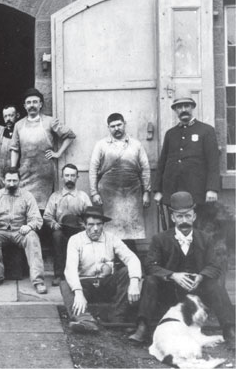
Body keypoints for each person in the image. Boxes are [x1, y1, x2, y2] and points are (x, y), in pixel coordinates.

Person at [129, 192, 235, 347]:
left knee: (215, 284)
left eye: (187, 216)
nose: (184, 221)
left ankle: (230, 330)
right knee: (151, 281)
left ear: (194, 216)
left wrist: (201, 276)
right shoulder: (160, 239)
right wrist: (173, 275)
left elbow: (214, 265)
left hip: (197, 292)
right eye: (179, 216)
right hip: (169, 293)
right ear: (173, 218)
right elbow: (150, 265)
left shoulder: (205, 239)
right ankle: (143, 327)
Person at [61, 206, 142, 333]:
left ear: (103, 224)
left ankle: (118, 318)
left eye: (99, 224)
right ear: (84, 224)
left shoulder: (111, 238)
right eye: (91, 224)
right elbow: (70, 268)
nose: (95, 229)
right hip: (86, 286)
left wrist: (135, 281)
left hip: (107, 284)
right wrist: (78, 292)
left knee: (127, 272)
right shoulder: (75, 240)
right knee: (65, 284)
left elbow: (131, 258)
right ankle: (85, 321)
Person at [153, 95, 220, 230]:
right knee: (174, 230)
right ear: (175, 110)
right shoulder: (170, 134)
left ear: (192, 108)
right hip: (173, 190)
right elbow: (163, 163)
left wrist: (211, 189)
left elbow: (213, 162)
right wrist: (158, 190)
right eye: (179, 107)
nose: (183, 110)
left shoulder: (206, 130)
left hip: (197, 191)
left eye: (187, 106)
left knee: (197, 230)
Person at [0, 167, 47, 293]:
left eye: (14, 180)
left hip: (20, 232)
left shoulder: (27, 196)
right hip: (2, 232)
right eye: (9, 180)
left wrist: (29, 226)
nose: (11, 184)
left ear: (20, 180)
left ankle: (38, 281)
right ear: (3, 180)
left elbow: (37, 218)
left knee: (32, 237)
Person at [89, 113, 151, 240]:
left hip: (132, 191)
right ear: (108, 128)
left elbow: (145, 169)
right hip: (108, 192)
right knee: (111, 228)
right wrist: (94, 193)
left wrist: (146, 192)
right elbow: (93, 169)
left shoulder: (136, 144)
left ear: (124, 124)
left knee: (131, 228)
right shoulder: (101, 145)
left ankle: (132, 257)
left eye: (119, 125)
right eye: (113, 126)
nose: (116, 129)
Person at [10, 88, 76, 208]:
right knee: (25, 205)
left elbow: (70, 136)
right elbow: (14, 148)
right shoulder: (18, 125)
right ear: (24, 106)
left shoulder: (50, 121)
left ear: (40, 104)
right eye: (29, 103)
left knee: (43, 207)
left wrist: (58, 153)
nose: (32, 105)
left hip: (44, 174)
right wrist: (14, 169)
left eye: (35, 102)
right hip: (25, 172)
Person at [43, 163, 91, 286]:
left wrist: (85, 227)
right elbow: (47, 216)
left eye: (72, 175)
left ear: (77, 177)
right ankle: (59, 275)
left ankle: (81, 274)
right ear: (62, 177)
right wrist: (54, 224)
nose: (69, 178)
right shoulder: (55, 196)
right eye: (67, 175)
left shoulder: (83, 196)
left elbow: (90, 216)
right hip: (61, 230)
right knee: (57, 237)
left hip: (78, 230)